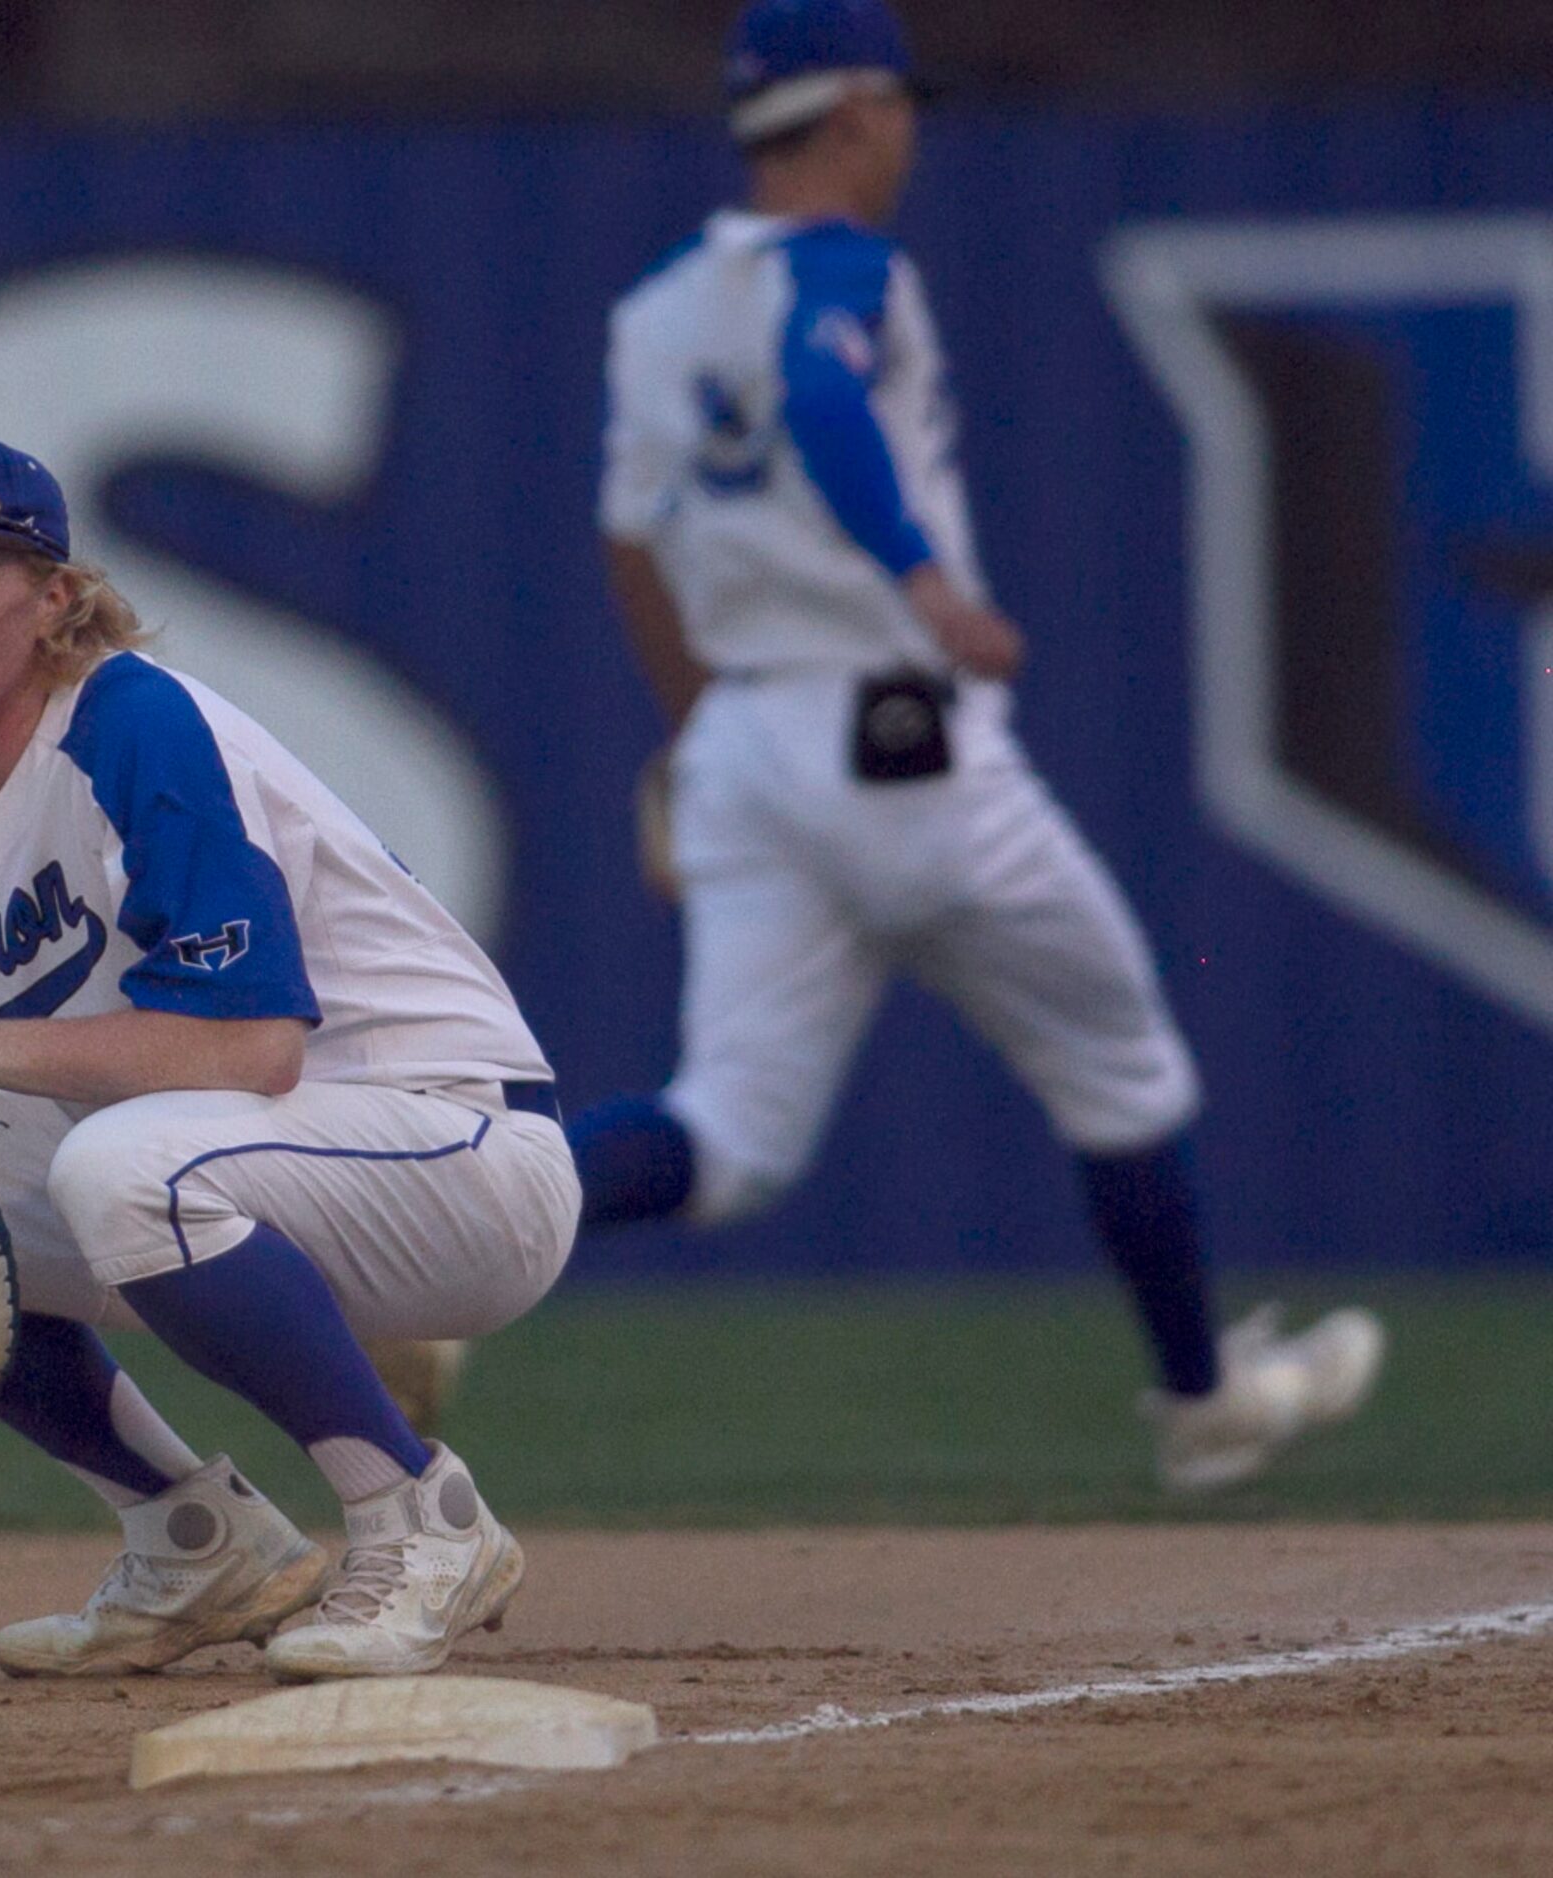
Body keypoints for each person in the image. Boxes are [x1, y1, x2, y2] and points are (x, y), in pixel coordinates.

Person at [567, 0, 1384, 1492]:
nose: (911, 135)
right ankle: (1202, 1397)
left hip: (748, 727)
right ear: (858, 111)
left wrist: (700, 737)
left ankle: (421, 1233)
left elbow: (632, 548)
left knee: (724, 1134)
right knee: (1124, 1070)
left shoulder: (657, 311)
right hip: (902, 738)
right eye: (901, 107)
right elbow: (820, 386)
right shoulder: (848, 263)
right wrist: (926, 578)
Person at [0, 433, 579, 1678]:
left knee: (121, 1165)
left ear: (52, 604)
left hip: (455, 1144)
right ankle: (195, 1544)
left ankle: (421, 1519)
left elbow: (250, 1047)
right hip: (281, 1156)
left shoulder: (134, 724)